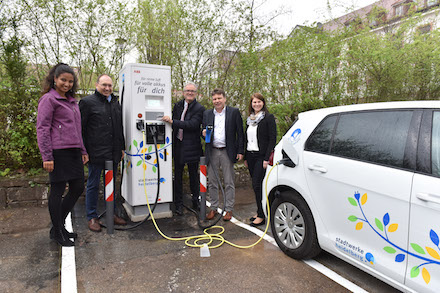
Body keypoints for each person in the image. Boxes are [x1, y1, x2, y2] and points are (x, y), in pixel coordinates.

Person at [37, 63, 89, 246]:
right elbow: (42, 129)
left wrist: (83, 150)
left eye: (70, 81)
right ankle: (58, 232)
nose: (66, 84)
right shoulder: (48, 100)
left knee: (77, 188)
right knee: (57, 191)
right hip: (57, 152)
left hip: (74, 151)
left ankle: (57, 225)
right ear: (54, 79)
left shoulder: (72, 101)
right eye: (63, 80)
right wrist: (47, 156)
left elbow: (77, 129)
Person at [79, 74, 126, 232]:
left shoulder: (115, 103)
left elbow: (119, 128)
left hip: (112, 152)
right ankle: (92, 217)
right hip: (95, 152)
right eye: (104, 85)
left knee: (111, 185)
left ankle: (111, 214)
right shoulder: (87, 103)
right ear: (96, 84)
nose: (107, 88)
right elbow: (81, 129)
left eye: (110, 86)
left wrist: (122, 147)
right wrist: (83, 150)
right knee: (93, 184)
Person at [162, 83, 205, 215]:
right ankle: (178, 203)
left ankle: (195, 201)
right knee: (178, 176)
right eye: (187, 91)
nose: (190, 93)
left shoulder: (199, 108)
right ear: (183, 92)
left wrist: (173, 122)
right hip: (178, 146)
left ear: (196, 93)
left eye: (192, 91)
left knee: (193, 176)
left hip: (192, 147)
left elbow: (192, 124)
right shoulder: (178, 105)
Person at [202, 88, 244, 221]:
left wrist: (240, 151)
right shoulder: (207, 114)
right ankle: (214, 208)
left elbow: (240, 133)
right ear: (212, 100)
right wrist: (203, 134)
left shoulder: (234, 112)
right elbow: (205, 133)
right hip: (212, 151)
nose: (217, 101)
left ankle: (229, 210)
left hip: (227, 151)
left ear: (224, 99)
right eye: (214, 99)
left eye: (219, 98)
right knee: (212, 181)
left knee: (229, 181)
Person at [244, 93, 276, 227]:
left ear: (263, 103)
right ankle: (259, 211)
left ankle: (262, 216)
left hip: (261, 157)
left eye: (259, 102)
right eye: (254, 102)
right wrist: (245, 157)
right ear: (251, 104)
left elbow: (272, 139)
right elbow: (247, 139)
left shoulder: (268, 118)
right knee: (255, 186)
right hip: (250, 156)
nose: (256, 104)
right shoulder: (249, 119)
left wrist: (266, 158)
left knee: (258, 185)